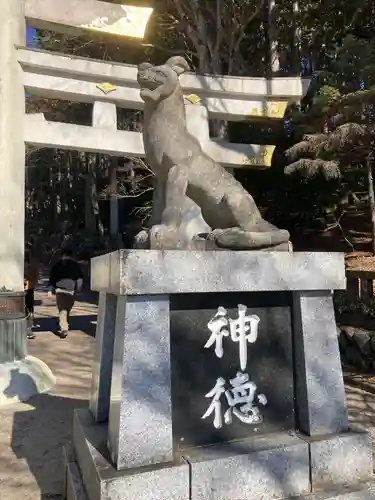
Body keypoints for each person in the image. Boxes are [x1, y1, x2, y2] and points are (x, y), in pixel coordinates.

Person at [48, 248, 84, 338]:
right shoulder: (75, 265)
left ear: (62, 255)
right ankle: (64, 328)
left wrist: (50, 289)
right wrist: (79, 288)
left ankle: (64, 324)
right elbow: (79, 278)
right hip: (71, 290)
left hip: (60, 289)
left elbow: (52, 278)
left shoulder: (57, 265)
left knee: (64, 309)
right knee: (65, 309)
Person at [24, 250, 39, 340]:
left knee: (27, 309)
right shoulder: (33, 263)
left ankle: (28, 329)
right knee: (28, 309)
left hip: (26, 289)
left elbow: (36, 276)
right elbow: (36, 276)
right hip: (27, 289)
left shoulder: (32, 263)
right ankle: (28, 329)